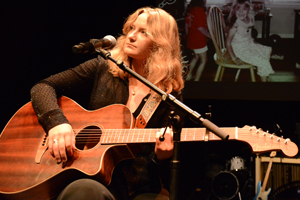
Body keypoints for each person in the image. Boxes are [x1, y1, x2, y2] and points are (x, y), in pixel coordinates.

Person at [30, 7, 184, 200]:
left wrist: (162, 157)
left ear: (161, 44)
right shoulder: (104, 67)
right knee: (85, 191)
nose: (131, 36)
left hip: (137, 188)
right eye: (131, 28)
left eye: (143, 32)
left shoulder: (168, 94)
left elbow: (167, 172)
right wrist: (57, 123)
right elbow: (43, 87)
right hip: (89, 177)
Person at [226, 0, 274, 82]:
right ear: (234, 10)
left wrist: (252, 41)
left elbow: (249, 32)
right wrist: (234, 58)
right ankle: (264, 77)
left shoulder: (249, 18)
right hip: (239, 50)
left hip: (249, 44)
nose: (241, 12)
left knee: (268, 50)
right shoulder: (235, 25)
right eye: (238, 9)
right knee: (263, 61)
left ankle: (263, 73)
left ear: (248, 10)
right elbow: (228, 43)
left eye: (244, 9)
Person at [184, 0, 211, 82]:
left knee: (196, 57)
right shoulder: (199, 10)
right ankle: (197, 79)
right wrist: (211, 37)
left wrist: (188, 36)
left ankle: (188, 76)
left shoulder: (191, 9)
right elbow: (200, 28)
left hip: (191, 40)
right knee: (203, 61)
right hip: (198, 41)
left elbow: (186, 24)